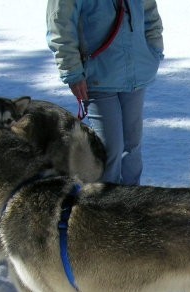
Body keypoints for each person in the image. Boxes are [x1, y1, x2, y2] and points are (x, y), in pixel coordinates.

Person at [46, 0, 164, 185]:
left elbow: (150, 13)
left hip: (135, 73)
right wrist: (73, 72)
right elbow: (61, 26)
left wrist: (153, 50)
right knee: (110, 150)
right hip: (97, 77)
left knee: (132, 148)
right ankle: (107, 209)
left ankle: (134, 206)